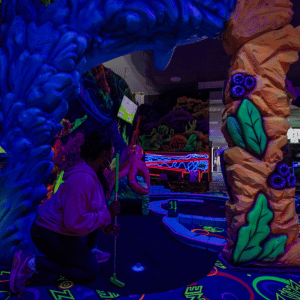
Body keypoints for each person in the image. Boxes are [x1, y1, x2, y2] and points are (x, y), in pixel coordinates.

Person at [10, 129, 121, 294]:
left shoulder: (93, 174)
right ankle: (31, 262)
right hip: (48, 234)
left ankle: (78, 257)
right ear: (104, 154)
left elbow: (91, 209)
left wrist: (105, 226)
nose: (113, 155)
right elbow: (74, 223)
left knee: (85, 262)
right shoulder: (83, 179)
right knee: (90, 271)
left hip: (59, 232)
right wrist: (107, 214)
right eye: (112, 151)